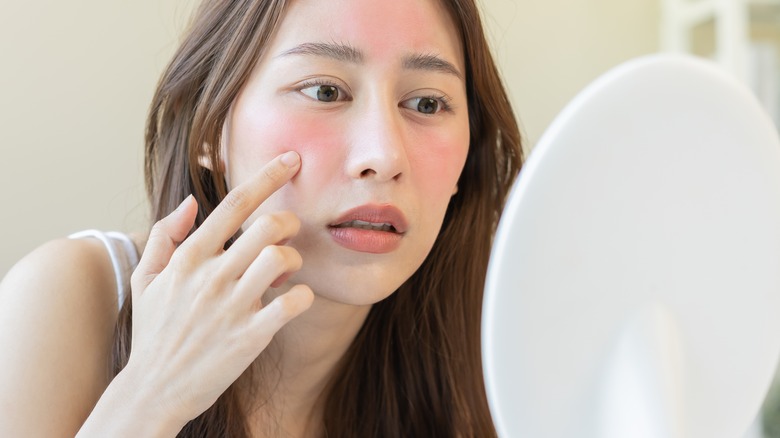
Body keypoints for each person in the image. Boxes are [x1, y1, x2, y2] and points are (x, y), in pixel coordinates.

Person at [0, 0, 522, 436]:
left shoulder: (495, 353)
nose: (384, 156)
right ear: (209, 129)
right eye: (325, 92)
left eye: (427, 104)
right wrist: (148, 395)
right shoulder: (72, 295)